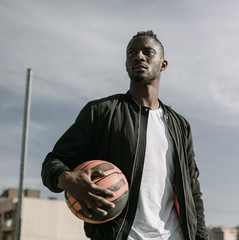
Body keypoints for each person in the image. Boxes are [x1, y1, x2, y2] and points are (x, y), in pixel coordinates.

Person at [41, 30, 209, 240]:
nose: (138, 56)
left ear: (163, 64)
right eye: (132, 53)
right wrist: (67, 180)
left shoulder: (180, 126)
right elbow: (54, 161)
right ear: (126, 64)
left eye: (147, 52)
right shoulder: (101, 112)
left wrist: (201, 236)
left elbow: (192, 190)